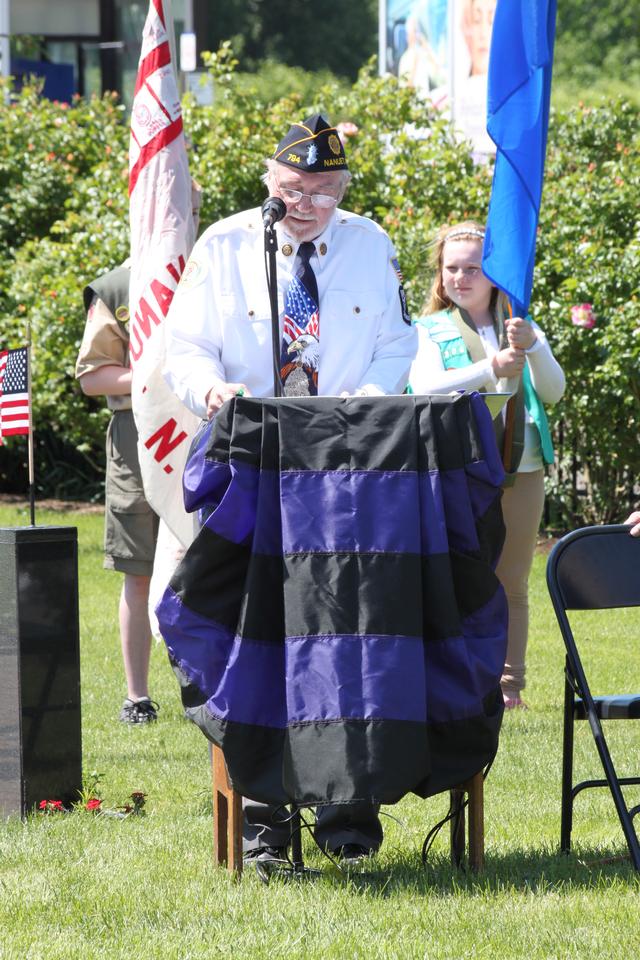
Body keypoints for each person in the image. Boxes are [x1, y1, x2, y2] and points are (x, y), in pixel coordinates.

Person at [163, 114, 417, 865]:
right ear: (268, 183)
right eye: (293, 189)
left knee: (347, 646)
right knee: (260, 645)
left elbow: (396, 344)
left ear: (342, 190)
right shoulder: (227, 247)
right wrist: (212, 393)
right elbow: (184, 347)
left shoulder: (370, 246)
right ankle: (267, 826)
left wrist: (358, 408)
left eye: (323, 192)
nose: (306, 204)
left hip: (345, 474)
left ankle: (347, 820)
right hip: (250, 467)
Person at [409, 221, 565, 709]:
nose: (461, 277)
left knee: (512, 578)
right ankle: (459, 682)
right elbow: (424, 387)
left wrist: (534, 346)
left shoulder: (521, 324)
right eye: (451, 268)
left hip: (523, 468)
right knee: (460, 576)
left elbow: (554, 391)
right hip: (458, 469)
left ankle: (509, 689)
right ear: (439, 274)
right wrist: (489, 369)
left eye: (473, 268)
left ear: (494, 273)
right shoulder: (427, 329)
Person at [75, 264, 160, 725]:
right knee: (138, 567)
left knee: (213, 564)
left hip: (207, 425)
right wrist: (154, 376)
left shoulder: (214, 264)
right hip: (139, 433)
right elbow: (93, 377)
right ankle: (138, 697)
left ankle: (212, 695)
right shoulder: (118, 287)